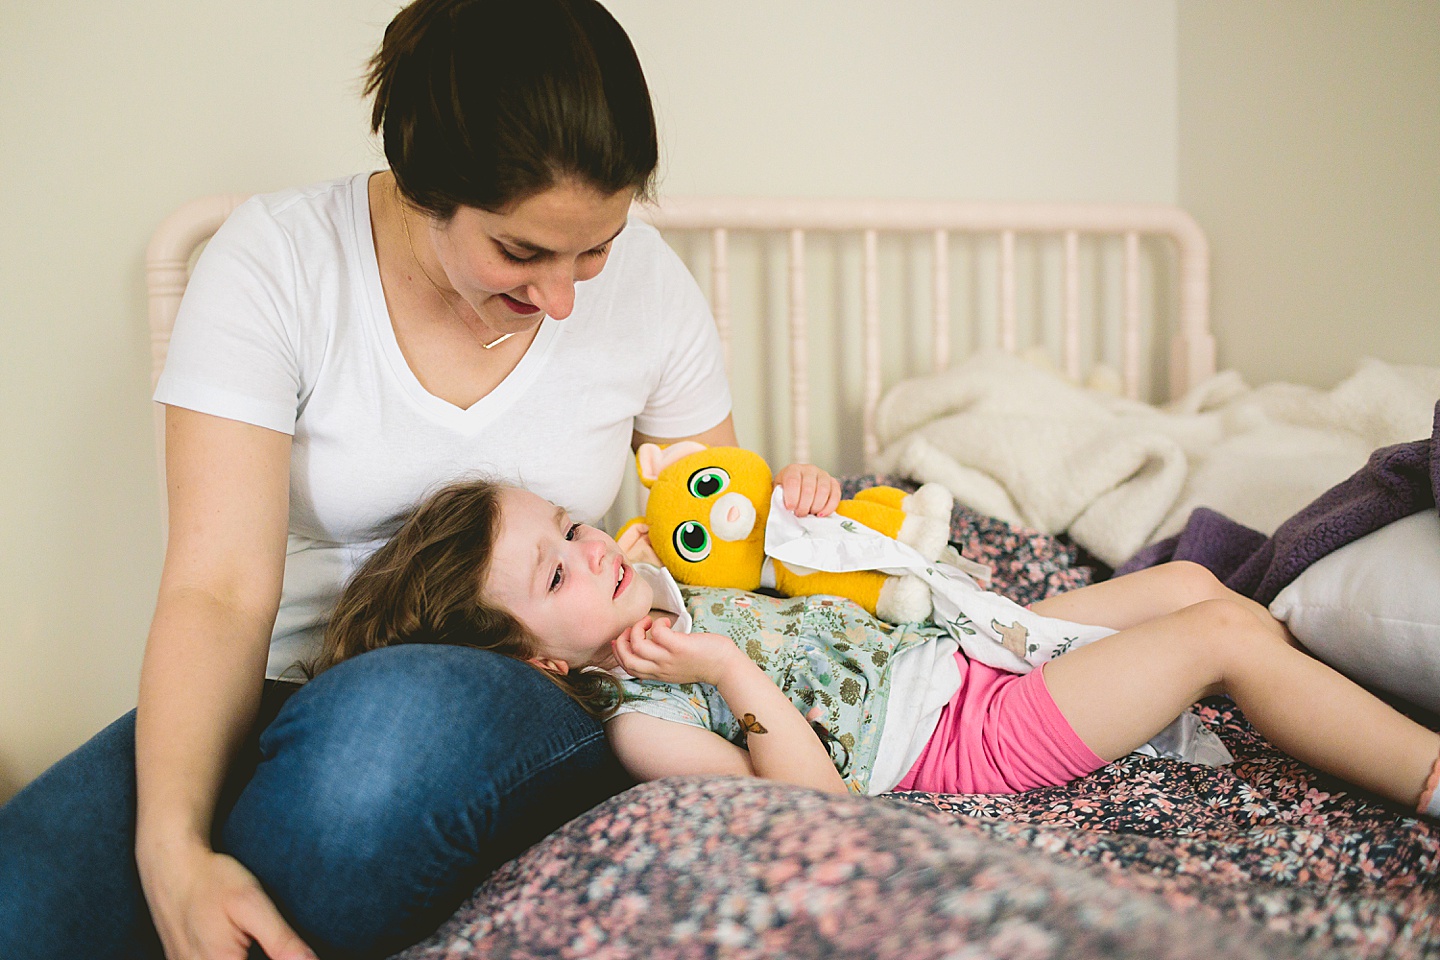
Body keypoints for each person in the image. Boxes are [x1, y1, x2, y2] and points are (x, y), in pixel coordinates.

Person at [0, 3, 840, 959]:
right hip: (291, 684)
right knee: (21, 905)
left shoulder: (649, 289)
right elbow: (218, 590)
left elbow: (715, 545)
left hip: (534, 681)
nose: (563, 298)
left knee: (370, 761)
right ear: (417, 182)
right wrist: (172, 849)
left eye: (595, 248)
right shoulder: (278, 262)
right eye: (520, 252)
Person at [312, 476, 1440, 820]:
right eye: (557, 572)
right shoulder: (650, 727)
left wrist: (807, 499)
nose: (591, 547)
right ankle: (1424, 772)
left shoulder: (660, 579)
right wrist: (730, 672)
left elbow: (775, 533)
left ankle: (1323, 702)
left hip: (973, 646)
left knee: (1195, 578)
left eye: (570, 525)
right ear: (539, 662)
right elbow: (817, 801)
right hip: (971, 733)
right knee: (1224, 632)